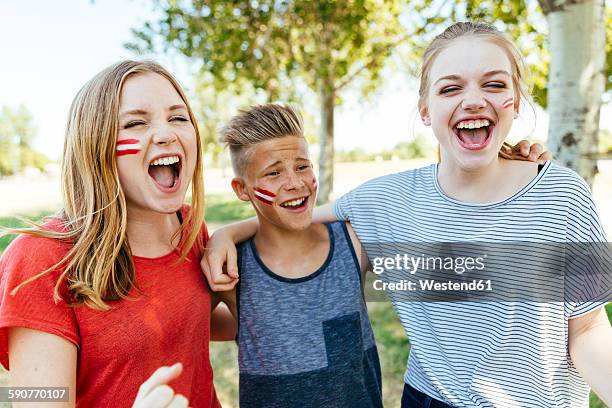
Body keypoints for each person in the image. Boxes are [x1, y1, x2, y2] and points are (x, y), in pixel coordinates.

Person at [203, 22, 612, 408]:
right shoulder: (385, 200)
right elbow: (294, 215)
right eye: (450, 88)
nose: (473, 99)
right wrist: (228, 233)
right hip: (428, 399)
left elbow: (589, 328)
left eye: (494, 84)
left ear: (515, 102)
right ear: (425, 111)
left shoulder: (563, 194)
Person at [0, 60, 234, 407]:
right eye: (136, 123)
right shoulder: (38, 260)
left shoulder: (189, 228)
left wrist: (233, 240)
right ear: (95, 146)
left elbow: (193, 324)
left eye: (178, 117)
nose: (166, 133)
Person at [216, 103, 382, 407]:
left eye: (302, 166)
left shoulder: (353, 242)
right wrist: (223, 236)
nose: (295, 183)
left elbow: (455, 274)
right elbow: (187, 326)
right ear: (242, 189)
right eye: (274, 172)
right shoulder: (230, 268)